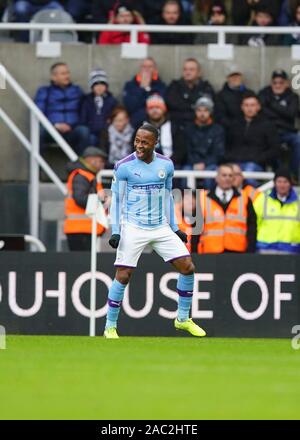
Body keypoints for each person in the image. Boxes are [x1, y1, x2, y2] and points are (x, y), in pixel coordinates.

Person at [103, 123, 206, 339]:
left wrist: (175, 228)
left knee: (187, 267)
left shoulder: (166, 165)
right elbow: (116, 201)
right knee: (123, 275)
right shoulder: (124, 166)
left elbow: (168, 196)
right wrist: (116, 231)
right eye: (137, 141)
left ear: (155, 143)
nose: (139, 145)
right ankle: (110, 327)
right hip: (133, 227)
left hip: (160, 227)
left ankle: (183, 319)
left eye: (144, 142)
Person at [199, 164, 257, 254]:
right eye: (224, 175)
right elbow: (196, 229)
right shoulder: (203, 197)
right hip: (210, 251)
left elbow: (252, 226)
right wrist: (195, 252)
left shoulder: (244, 198)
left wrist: (250, 250)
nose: (227, 178)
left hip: (237, 251)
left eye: (230, 175)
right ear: (217, 178)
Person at [226, 92, 280, 186]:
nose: (249, 108)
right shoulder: (234, 124)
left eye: (252, 105)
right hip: (234, 162)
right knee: (220, 175)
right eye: (246, 105)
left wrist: (258, 159)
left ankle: (252, 200)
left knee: (248, 175)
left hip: (256, 164)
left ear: (258, 107)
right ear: (242, 107)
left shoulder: (267, 125)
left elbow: (274, 149)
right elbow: (227, 145)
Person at [35, 62, 90, 154]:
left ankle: (81, 166)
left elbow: (84, 111)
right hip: (52, 130)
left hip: (72, 129)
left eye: (68, 73)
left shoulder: (77, 90)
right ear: (53, 77)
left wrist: (73, 125)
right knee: (39, 132)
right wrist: (55, 125)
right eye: (63, 73)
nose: (67, 76)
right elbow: (38, 112)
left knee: (84, 131)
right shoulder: (45, 91)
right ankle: (37, 167)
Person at [259, 70, 300, 181]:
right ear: (271, 83)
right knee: (271, 143)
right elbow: (260, 111)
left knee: (298, 140)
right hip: (269, 131)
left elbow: (291, 113)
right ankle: (277, 174)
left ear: (286, 83)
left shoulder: (292, 96)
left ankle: (293, 174)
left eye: (281, 82)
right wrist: (282, 112)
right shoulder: (264, 93)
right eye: (275, 82)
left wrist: (271, 104)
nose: (278, 85)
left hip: (287, 131)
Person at [64, 147, 107, 251]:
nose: (103, 165)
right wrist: (101, 200)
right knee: (82, 264)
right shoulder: (82, 176)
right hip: (81, 229)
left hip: (83, 229)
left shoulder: (86, 176)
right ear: (91, 160)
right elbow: (80, 199)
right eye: (100, 161)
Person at [254, 168, 300, 254]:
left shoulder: (298, 202)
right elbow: (253, 223)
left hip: (291, 250)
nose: (282, 185)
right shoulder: (262, 199)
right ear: (274, 183)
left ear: (290, 184)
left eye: (285, 181)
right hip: (265, 248)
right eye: (279, 181)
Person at [184, 96, 225, 189]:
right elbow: (187, 151)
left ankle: (207, 201)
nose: (202, 113)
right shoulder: (188, 129)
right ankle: (189, 201)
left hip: (210, 164)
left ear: (210, 112)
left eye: (205, 110)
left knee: (211, 172)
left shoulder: (218, 130)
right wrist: (195, 163)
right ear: (195, 112)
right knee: (186, 171)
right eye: (199, 110)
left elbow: (219, 153)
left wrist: (204, 164)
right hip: (192, 164)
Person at [166, 58, 215, 125]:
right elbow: (172, 105)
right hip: (178, 125)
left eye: (191, 70)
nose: (187, 72)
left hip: (199, 126)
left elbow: (208, 107)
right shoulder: (175, 86)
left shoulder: (206, 87)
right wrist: (194, 106)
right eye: (185, 69)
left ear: (199, 73)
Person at [123, 57, 166, 128]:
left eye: (150, 67)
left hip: (155, 124)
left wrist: (147, 89)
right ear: (140, 68)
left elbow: (160, 107)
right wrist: (142, 88)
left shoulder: (161, 86)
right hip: (136, 124)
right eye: (144, 66)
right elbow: (130, 107)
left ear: (155, 69)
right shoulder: (130, 85)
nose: (147, 69)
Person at [145, 94, 186, 167]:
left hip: (171, 165)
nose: (154, 110)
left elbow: (180, 151)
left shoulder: (174, 126)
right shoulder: (142, 127)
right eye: (151, 108)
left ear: (164, 109)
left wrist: (167, 163)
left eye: (158, 107)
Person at [80, 69, 118, 147]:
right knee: (91, 139)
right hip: (91, 131)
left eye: (102, 84)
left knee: (107, 138)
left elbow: (115, 115)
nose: (99, 87)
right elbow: (83, 118)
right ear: (92, 86)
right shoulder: (86, 100)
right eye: (96, 84)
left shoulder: (111, 100)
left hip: (106, 130)